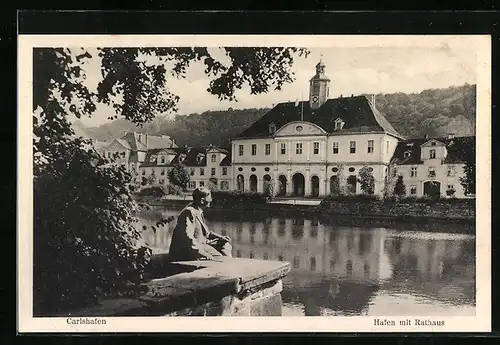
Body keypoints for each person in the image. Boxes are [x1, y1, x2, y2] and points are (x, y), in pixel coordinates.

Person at [168, 187, 232, 261]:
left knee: (225, 245)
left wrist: (221, 237)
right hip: (186, 251)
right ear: (202, 200)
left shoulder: (198, 210)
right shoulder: (190, 212)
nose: (211, 200)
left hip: (200, 244)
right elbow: (187, 237)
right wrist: (203, 253)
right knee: (219, 256)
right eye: (209, 198)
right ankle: (226, 266)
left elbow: (207, 233)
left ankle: (228, 265)